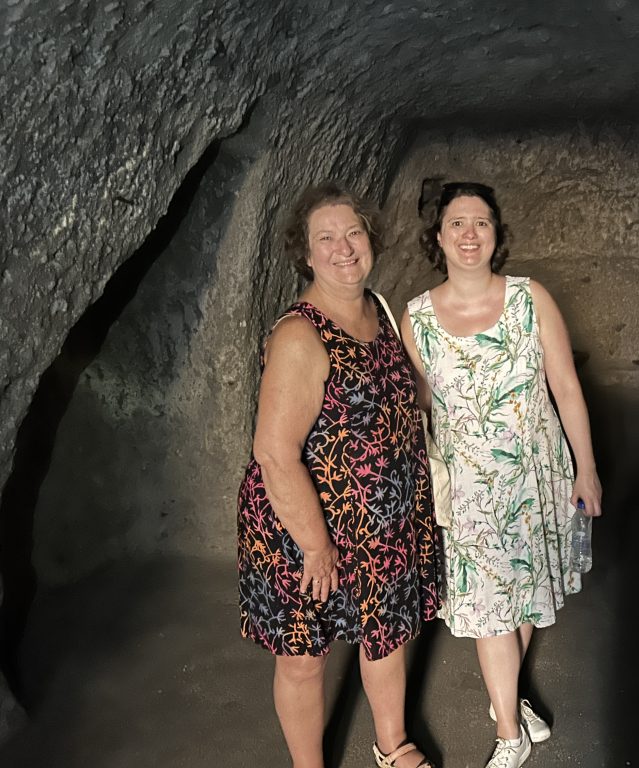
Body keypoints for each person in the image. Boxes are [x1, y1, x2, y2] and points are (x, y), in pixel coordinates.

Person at [237, 182, 443, 768]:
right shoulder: (300, 335)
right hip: (304, 526)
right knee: (305, 656)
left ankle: (392, 744)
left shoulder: (376, 307)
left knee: (387, 632)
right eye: (325, 238)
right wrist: (316, 545)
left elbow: (401, 396)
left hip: (383, 523)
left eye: (353, 232)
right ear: (305, 253)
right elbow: (275, 453)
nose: (343, 247)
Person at [400, 182, 603, 768]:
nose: (469, 234)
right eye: (457, 223)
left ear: (496, 234)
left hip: (537, 477)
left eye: (481, 223)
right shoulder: (416, 319)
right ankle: (509, 735)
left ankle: (503, 695)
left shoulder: (529, 298)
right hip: (469, 490)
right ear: (438, 237)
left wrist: (586, 469)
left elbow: (566, 386)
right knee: (491, 609)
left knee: (524, 595)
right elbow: (413, 408)